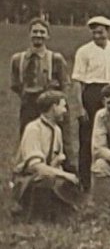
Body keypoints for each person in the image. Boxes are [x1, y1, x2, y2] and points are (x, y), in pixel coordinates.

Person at [73, 16, 110, 189]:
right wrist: (80, 107)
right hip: (92, 94)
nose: (97, 35)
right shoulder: (84, 51)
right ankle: (85, 183)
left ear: (108, 31)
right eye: (94, 32)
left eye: (100, 32)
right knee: (87, 140)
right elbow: (77, 81)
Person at [10, 18, 75, 169]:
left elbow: (65, 84)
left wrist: (59, 104)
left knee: (61, 140)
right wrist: (29, 96)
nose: (38, 35)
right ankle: (27, 176)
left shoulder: (55, 58)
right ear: (29, 34)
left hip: (52, 103)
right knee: (28, 137)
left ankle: (67, 177)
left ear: (47, 36)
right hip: (28, 103)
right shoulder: (18, 59)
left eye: (42, 32)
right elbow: (15, 85)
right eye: (35, 31)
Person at [11, 91, 82, 220]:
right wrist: (64, 174)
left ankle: (60, 213)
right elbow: (36, 167)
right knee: (48, 182)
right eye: (63, 106)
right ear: (53, 107)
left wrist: (61, 169)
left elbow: (54, 163)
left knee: (68, 183)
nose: (65, 111)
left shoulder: (57, 130)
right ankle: (31, 212)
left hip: (47, 175)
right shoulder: (33, 129)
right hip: (27, 178)